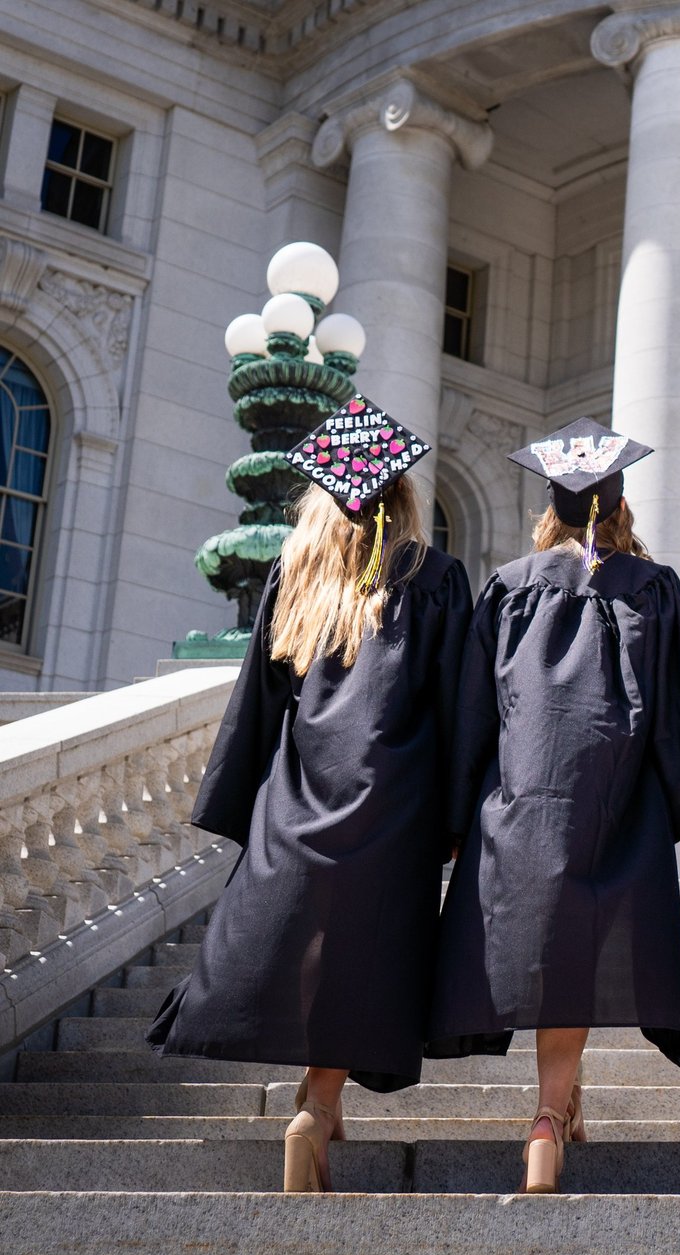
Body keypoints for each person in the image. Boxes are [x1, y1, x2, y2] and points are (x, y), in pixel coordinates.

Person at [148, 399, 470, 1193]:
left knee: (304, 940)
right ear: (403, 497)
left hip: (297, 795)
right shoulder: (436, 579)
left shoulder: (296, 573)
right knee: (360, 956)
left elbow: (256, 704)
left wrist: (237, 804)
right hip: (394, 805)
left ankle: (314, 1103)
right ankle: (319, 1107)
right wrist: (460, 816)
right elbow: (462, 706)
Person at [428, 420, 680, 1195]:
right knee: (582, 949)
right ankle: (550, 1113)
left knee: (553, 950)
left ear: (553, 509)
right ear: (621, 507)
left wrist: (457, 818)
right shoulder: (653, 589)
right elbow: (678, 710)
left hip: (521, 800)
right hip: (615, 802)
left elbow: (471, 714)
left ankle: (555, 1112)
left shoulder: (507, 584)